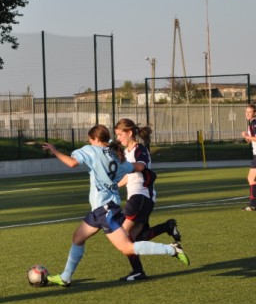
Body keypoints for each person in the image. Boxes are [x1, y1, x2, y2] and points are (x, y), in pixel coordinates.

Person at [42, 125, 189, 288]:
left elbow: (72, 163)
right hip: (101, 208)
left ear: (96, 139)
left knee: (127, 248)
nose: (89, 143)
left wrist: (54, 151)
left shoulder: (91, 150)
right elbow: (136, 167)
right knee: (78, 238)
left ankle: (171, 249)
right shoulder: (116, 155)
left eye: (90, 140)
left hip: (105, 209)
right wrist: (148, 173)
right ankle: (65, 277)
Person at [114, 118, 181, 282]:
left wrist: (123, 166)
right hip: (138, 198)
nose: (118, 138)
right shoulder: (127, 152)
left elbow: (140, 166)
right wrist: (113, 186)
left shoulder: (140, 149)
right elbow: (129, 177)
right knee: (135, 239)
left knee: (122, 235)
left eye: (120, 134)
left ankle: (167, 250)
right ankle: (166, 227)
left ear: (129, 133)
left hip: (141, 196)